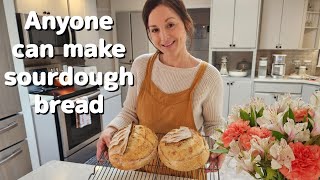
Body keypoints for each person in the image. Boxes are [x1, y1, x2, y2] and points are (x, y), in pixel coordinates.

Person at [97, 0, 226, 177]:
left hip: (186, 170)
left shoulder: (209, 76)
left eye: (170, 25)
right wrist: (111, 129)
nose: (164, 37)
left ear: (186, 24)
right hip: (142, 168)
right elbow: (129, 112)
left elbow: (214, 124)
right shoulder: (141, 66)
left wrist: (219, 145)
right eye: (155, 30)